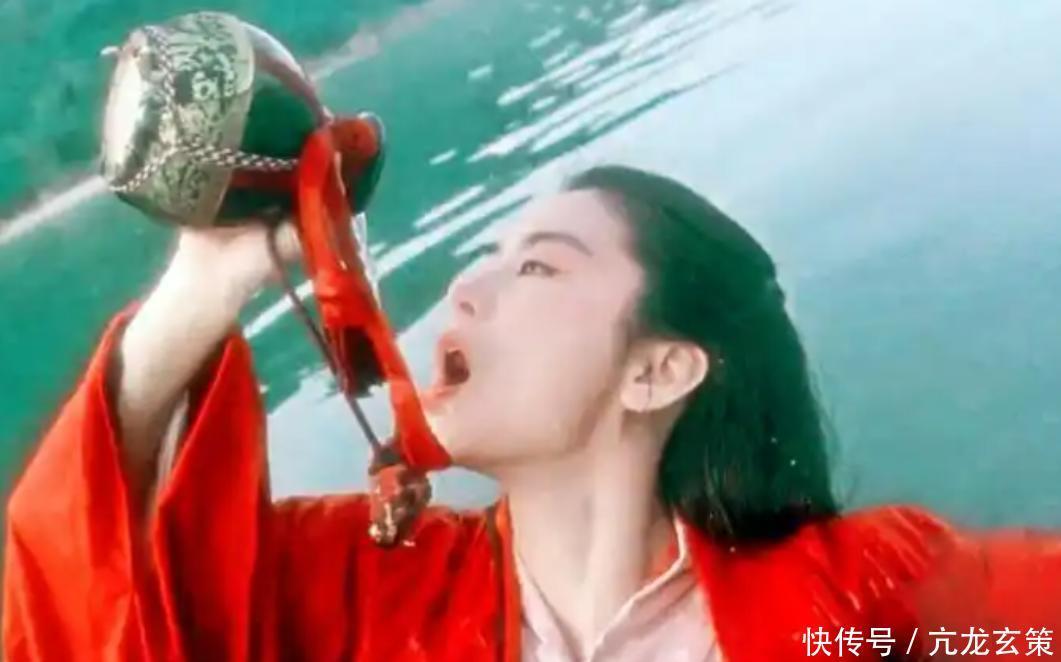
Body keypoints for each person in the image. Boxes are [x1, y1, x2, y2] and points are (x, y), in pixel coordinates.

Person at [4, 166, 1059, 661]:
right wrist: (204, 284)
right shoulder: (358, 593)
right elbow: (78, 612)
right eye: (488, 257)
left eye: (539, 267)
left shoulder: (866, 595)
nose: (464, 286)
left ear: (658, 370)